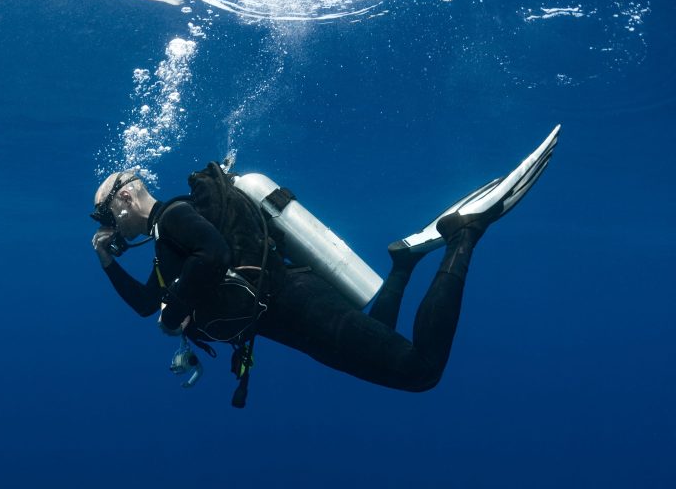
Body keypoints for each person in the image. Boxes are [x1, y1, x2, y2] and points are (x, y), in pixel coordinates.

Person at [90, 126, 558, 396]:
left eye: (107, 213)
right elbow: (145, 304)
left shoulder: (174, 217)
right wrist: (108, 262)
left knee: (420, 371)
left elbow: (212, 255)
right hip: (285, 320)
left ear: (127, 196)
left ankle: (465, 234)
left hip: (296, 302)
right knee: (384, 340)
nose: (108, 225)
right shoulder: (162, 245)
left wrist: (176, 312)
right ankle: (403, 262)